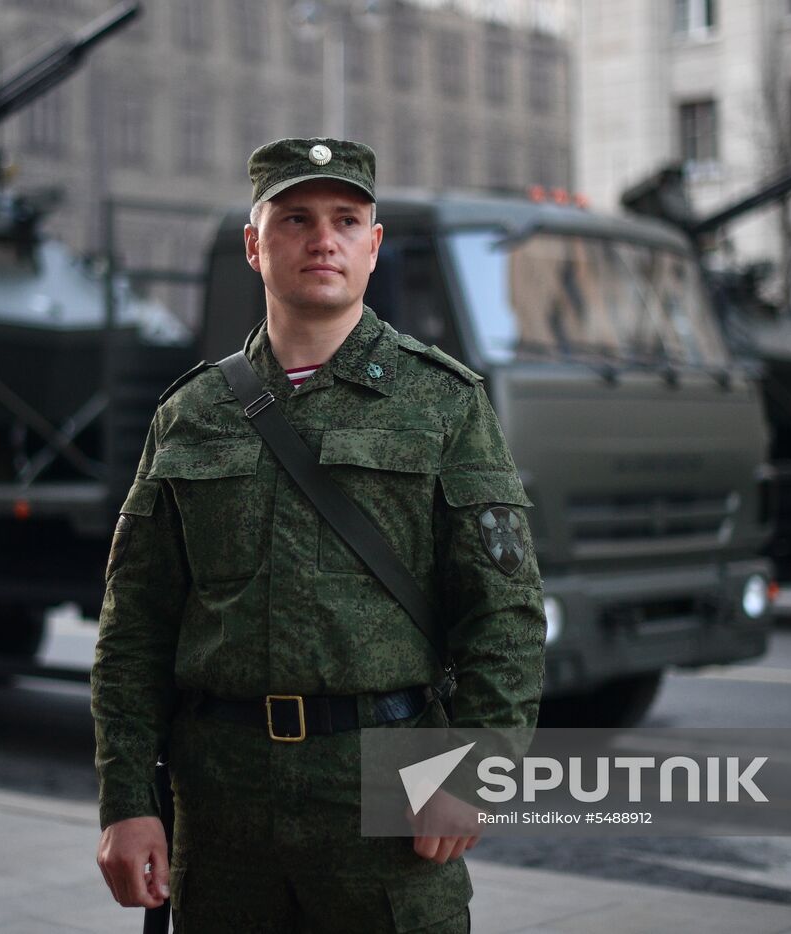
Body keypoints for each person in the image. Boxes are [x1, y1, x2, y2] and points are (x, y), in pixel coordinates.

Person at [93, 137, 545, 933]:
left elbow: (503, 613)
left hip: (383, 789)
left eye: (346, 219)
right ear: (254, 245)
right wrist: (128, 802)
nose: (322, 239)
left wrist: (478, 767)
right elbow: (134, 627)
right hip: (223, 806)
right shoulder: (190, 414)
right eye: (296, 218)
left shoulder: (443, 402)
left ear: (374, 245)